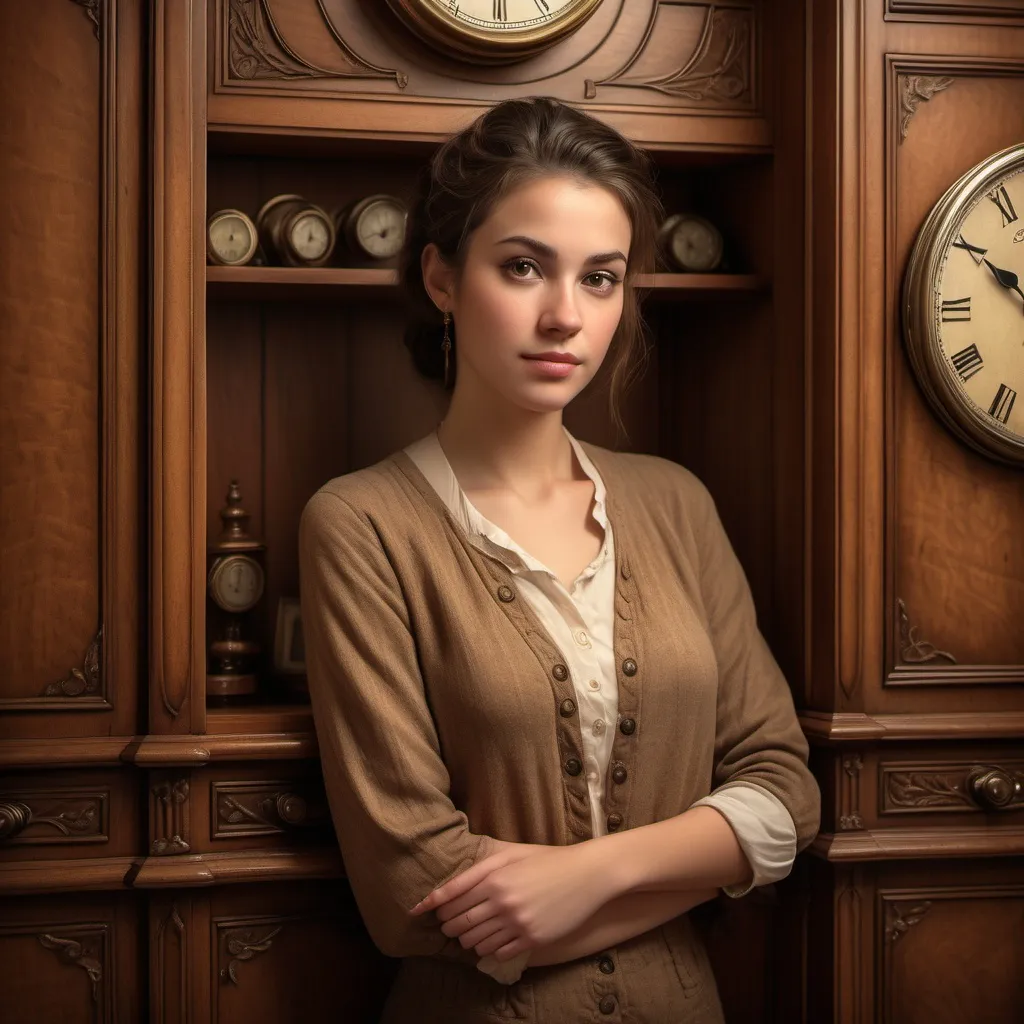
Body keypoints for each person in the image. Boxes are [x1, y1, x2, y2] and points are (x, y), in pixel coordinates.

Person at [298, 96, 820, 1024]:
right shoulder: (361, 524)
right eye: (525, 267)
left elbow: (785, 792)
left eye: (601, 278)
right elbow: (413, 897)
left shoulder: (674, 501)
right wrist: (711, 862)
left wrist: (585, 877)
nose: (564, 316)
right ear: (442, 278)